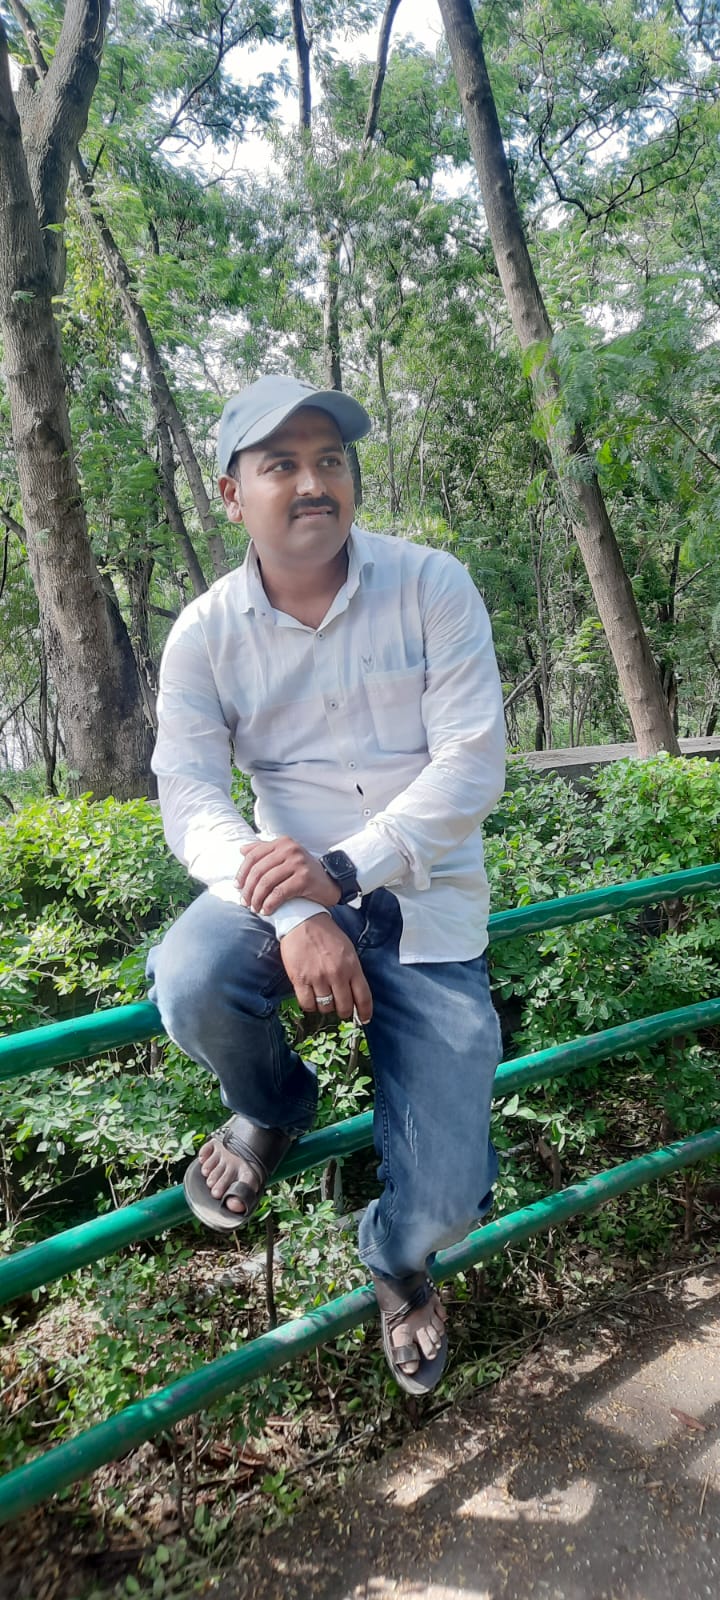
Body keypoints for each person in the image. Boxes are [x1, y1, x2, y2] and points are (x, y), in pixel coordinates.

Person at [147, 373, 505, 1394]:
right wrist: (305, 906)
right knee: (190, 977)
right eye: (282, 465)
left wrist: (345, 871)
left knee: (451, 1197)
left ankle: (396, 1255)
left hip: (425, 897)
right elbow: (188, 794)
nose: (314, 482)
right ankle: (272, 1105)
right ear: (232, 495)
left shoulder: (431, 584)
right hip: (281, 891)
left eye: (330, 460)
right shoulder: (204, 634)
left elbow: (473, 761)